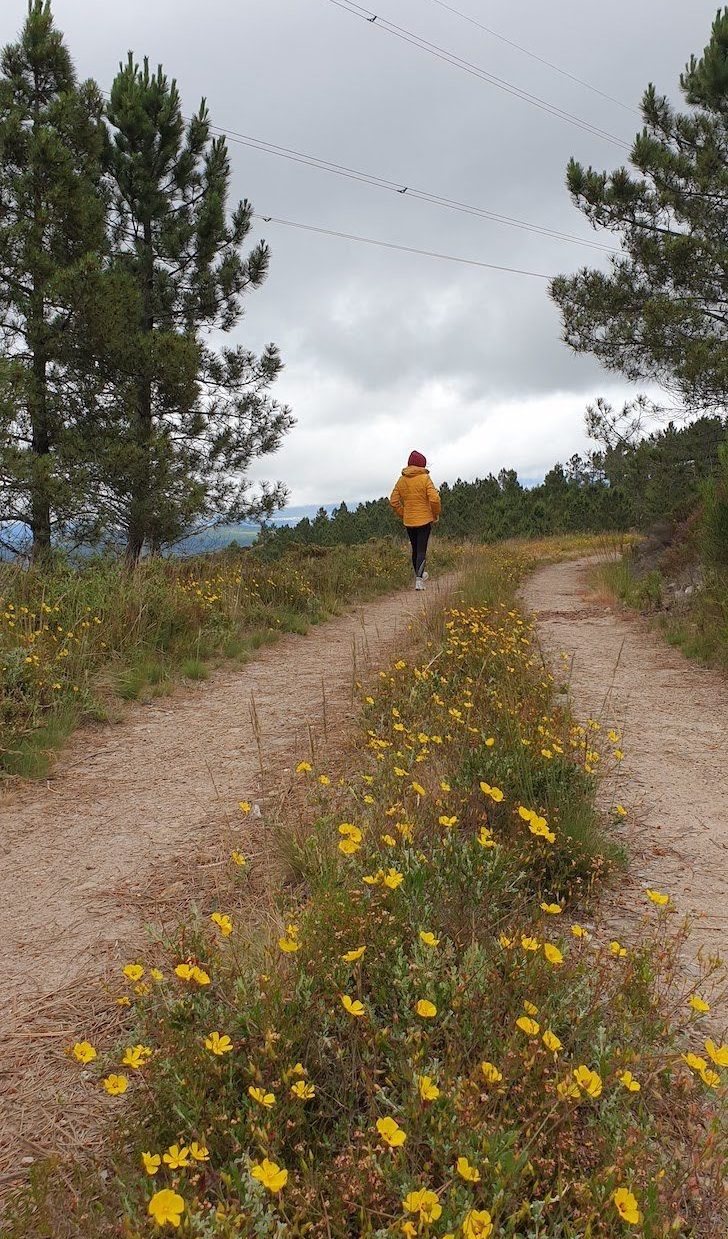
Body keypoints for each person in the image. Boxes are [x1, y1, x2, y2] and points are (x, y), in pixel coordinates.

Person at [389, 450, 442, 590]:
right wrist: (435, 514)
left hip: (409, 522)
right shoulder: (425, 479)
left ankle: (419, 575)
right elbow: (435, 499)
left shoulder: (401, 480)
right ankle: (419, 580)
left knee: (415, 549)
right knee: (421, 550)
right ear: (421, 465)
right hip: (425, 520)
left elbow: (393, 501)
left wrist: (404, 514)